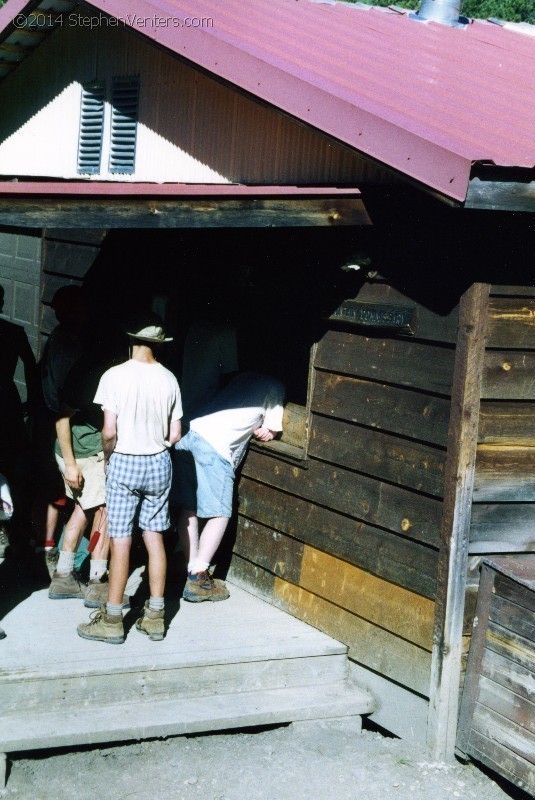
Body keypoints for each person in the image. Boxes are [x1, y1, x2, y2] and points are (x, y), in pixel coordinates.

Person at [77, 313, 182, 645]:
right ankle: (155, 618)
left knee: (120, 539)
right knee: (154, 537)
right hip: (159, 462)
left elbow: (109, 431)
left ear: (131, 340)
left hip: (124, 460)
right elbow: (175, 434)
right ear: (158, 346)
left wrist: (109, 458)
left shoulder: (114, 376)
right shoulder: (169, 379)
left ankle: (112, 620)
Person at [172, 372, 284, 602]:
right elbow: (271, 428)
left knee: (189, 506)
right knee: (220, 512)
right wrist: (269, 430)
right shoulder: (275, 385)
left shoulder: (242, 378)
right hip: (215, 446)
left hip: (190, 433)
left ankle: (192, 568)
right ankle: (198, 575)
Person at [48, 349, 124, 608]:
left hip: (81, 452)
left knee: (84, 509)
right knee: (105, 510)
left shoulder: (94, 368)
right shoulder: (93, 375)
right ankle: (97, 582)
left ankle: (64, 575)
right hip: (83, 454)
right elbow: (61, 420)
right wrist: (70, 465)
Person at [0, 284, 38, 556]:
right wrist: (33, 400)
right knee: (12, 468)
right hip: (6, 403)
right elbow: (31, 366)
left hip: (6, 404)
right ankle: (12, 530)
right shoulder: (14, 332)